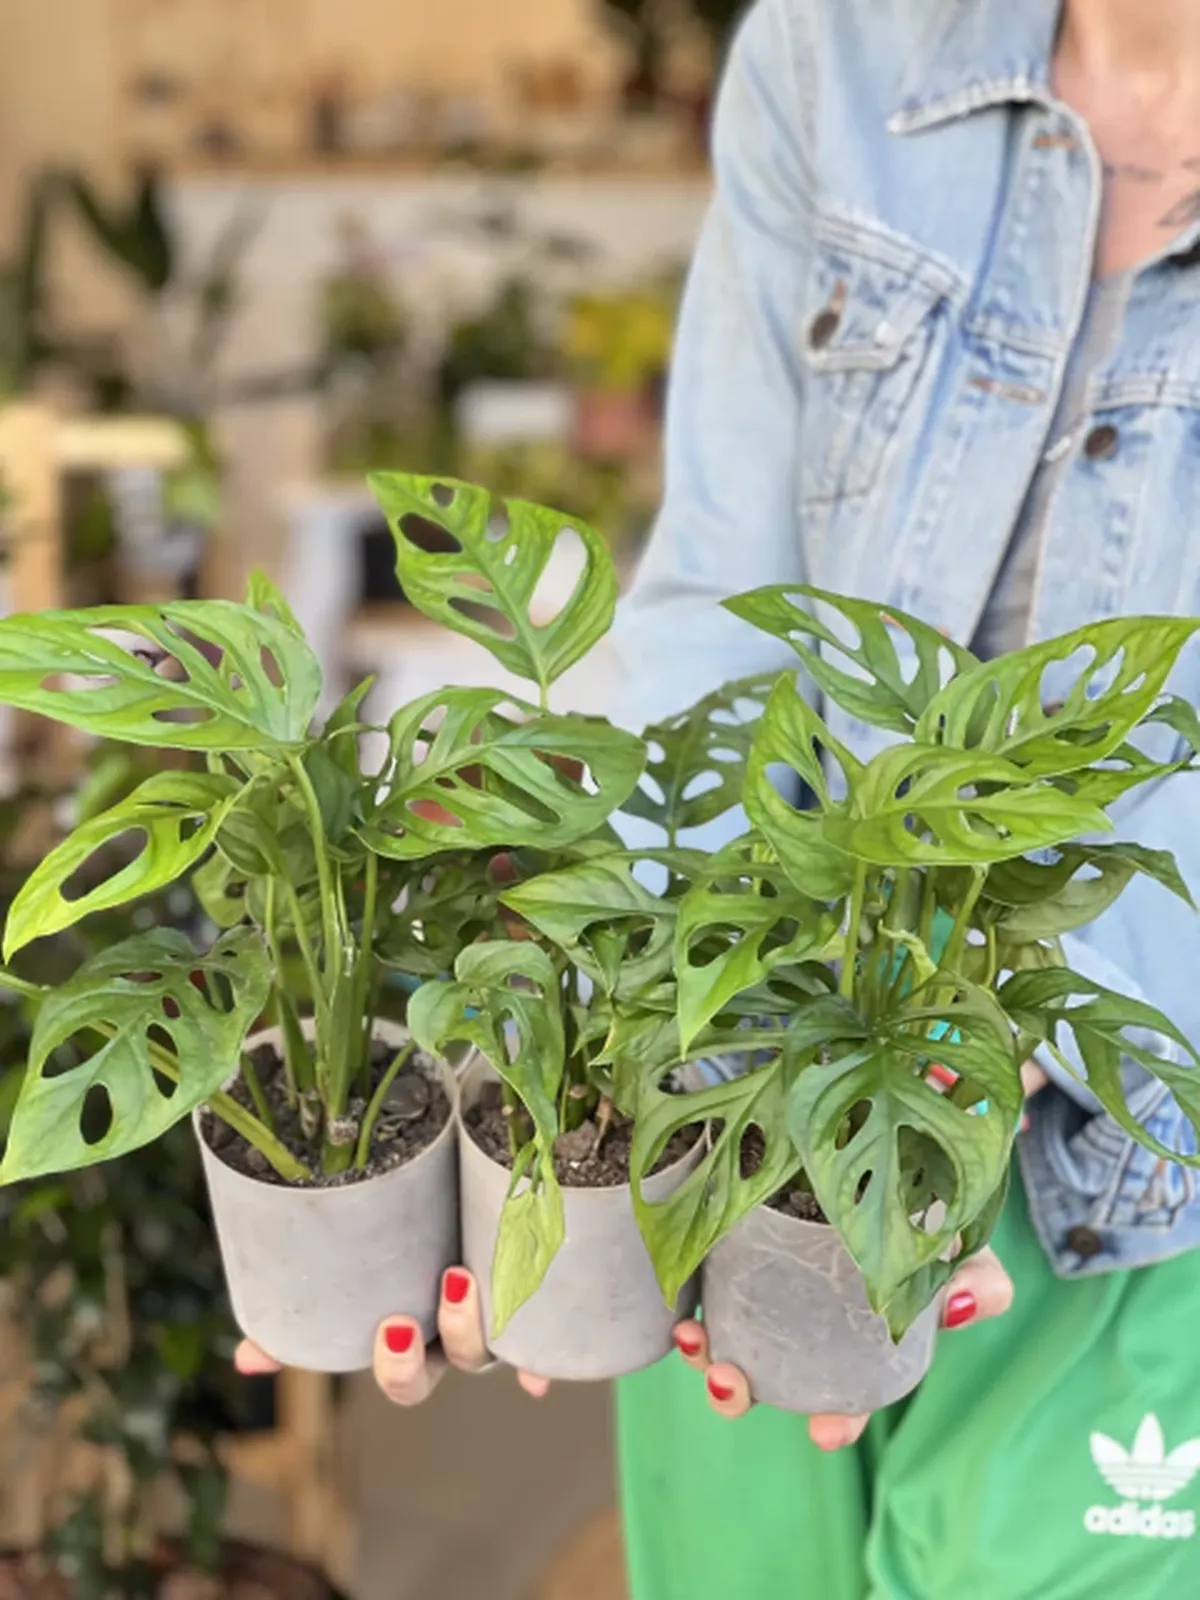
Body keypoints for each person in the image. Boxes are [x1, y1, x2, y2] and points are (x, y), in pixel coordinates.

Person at [239, 0, 1200, 1592]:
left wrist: (1011, 1021)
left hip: (1139, 1169)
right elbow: (710, 618)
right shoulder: (839, 54)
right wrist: (586, 1100)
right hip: (757, 1131)